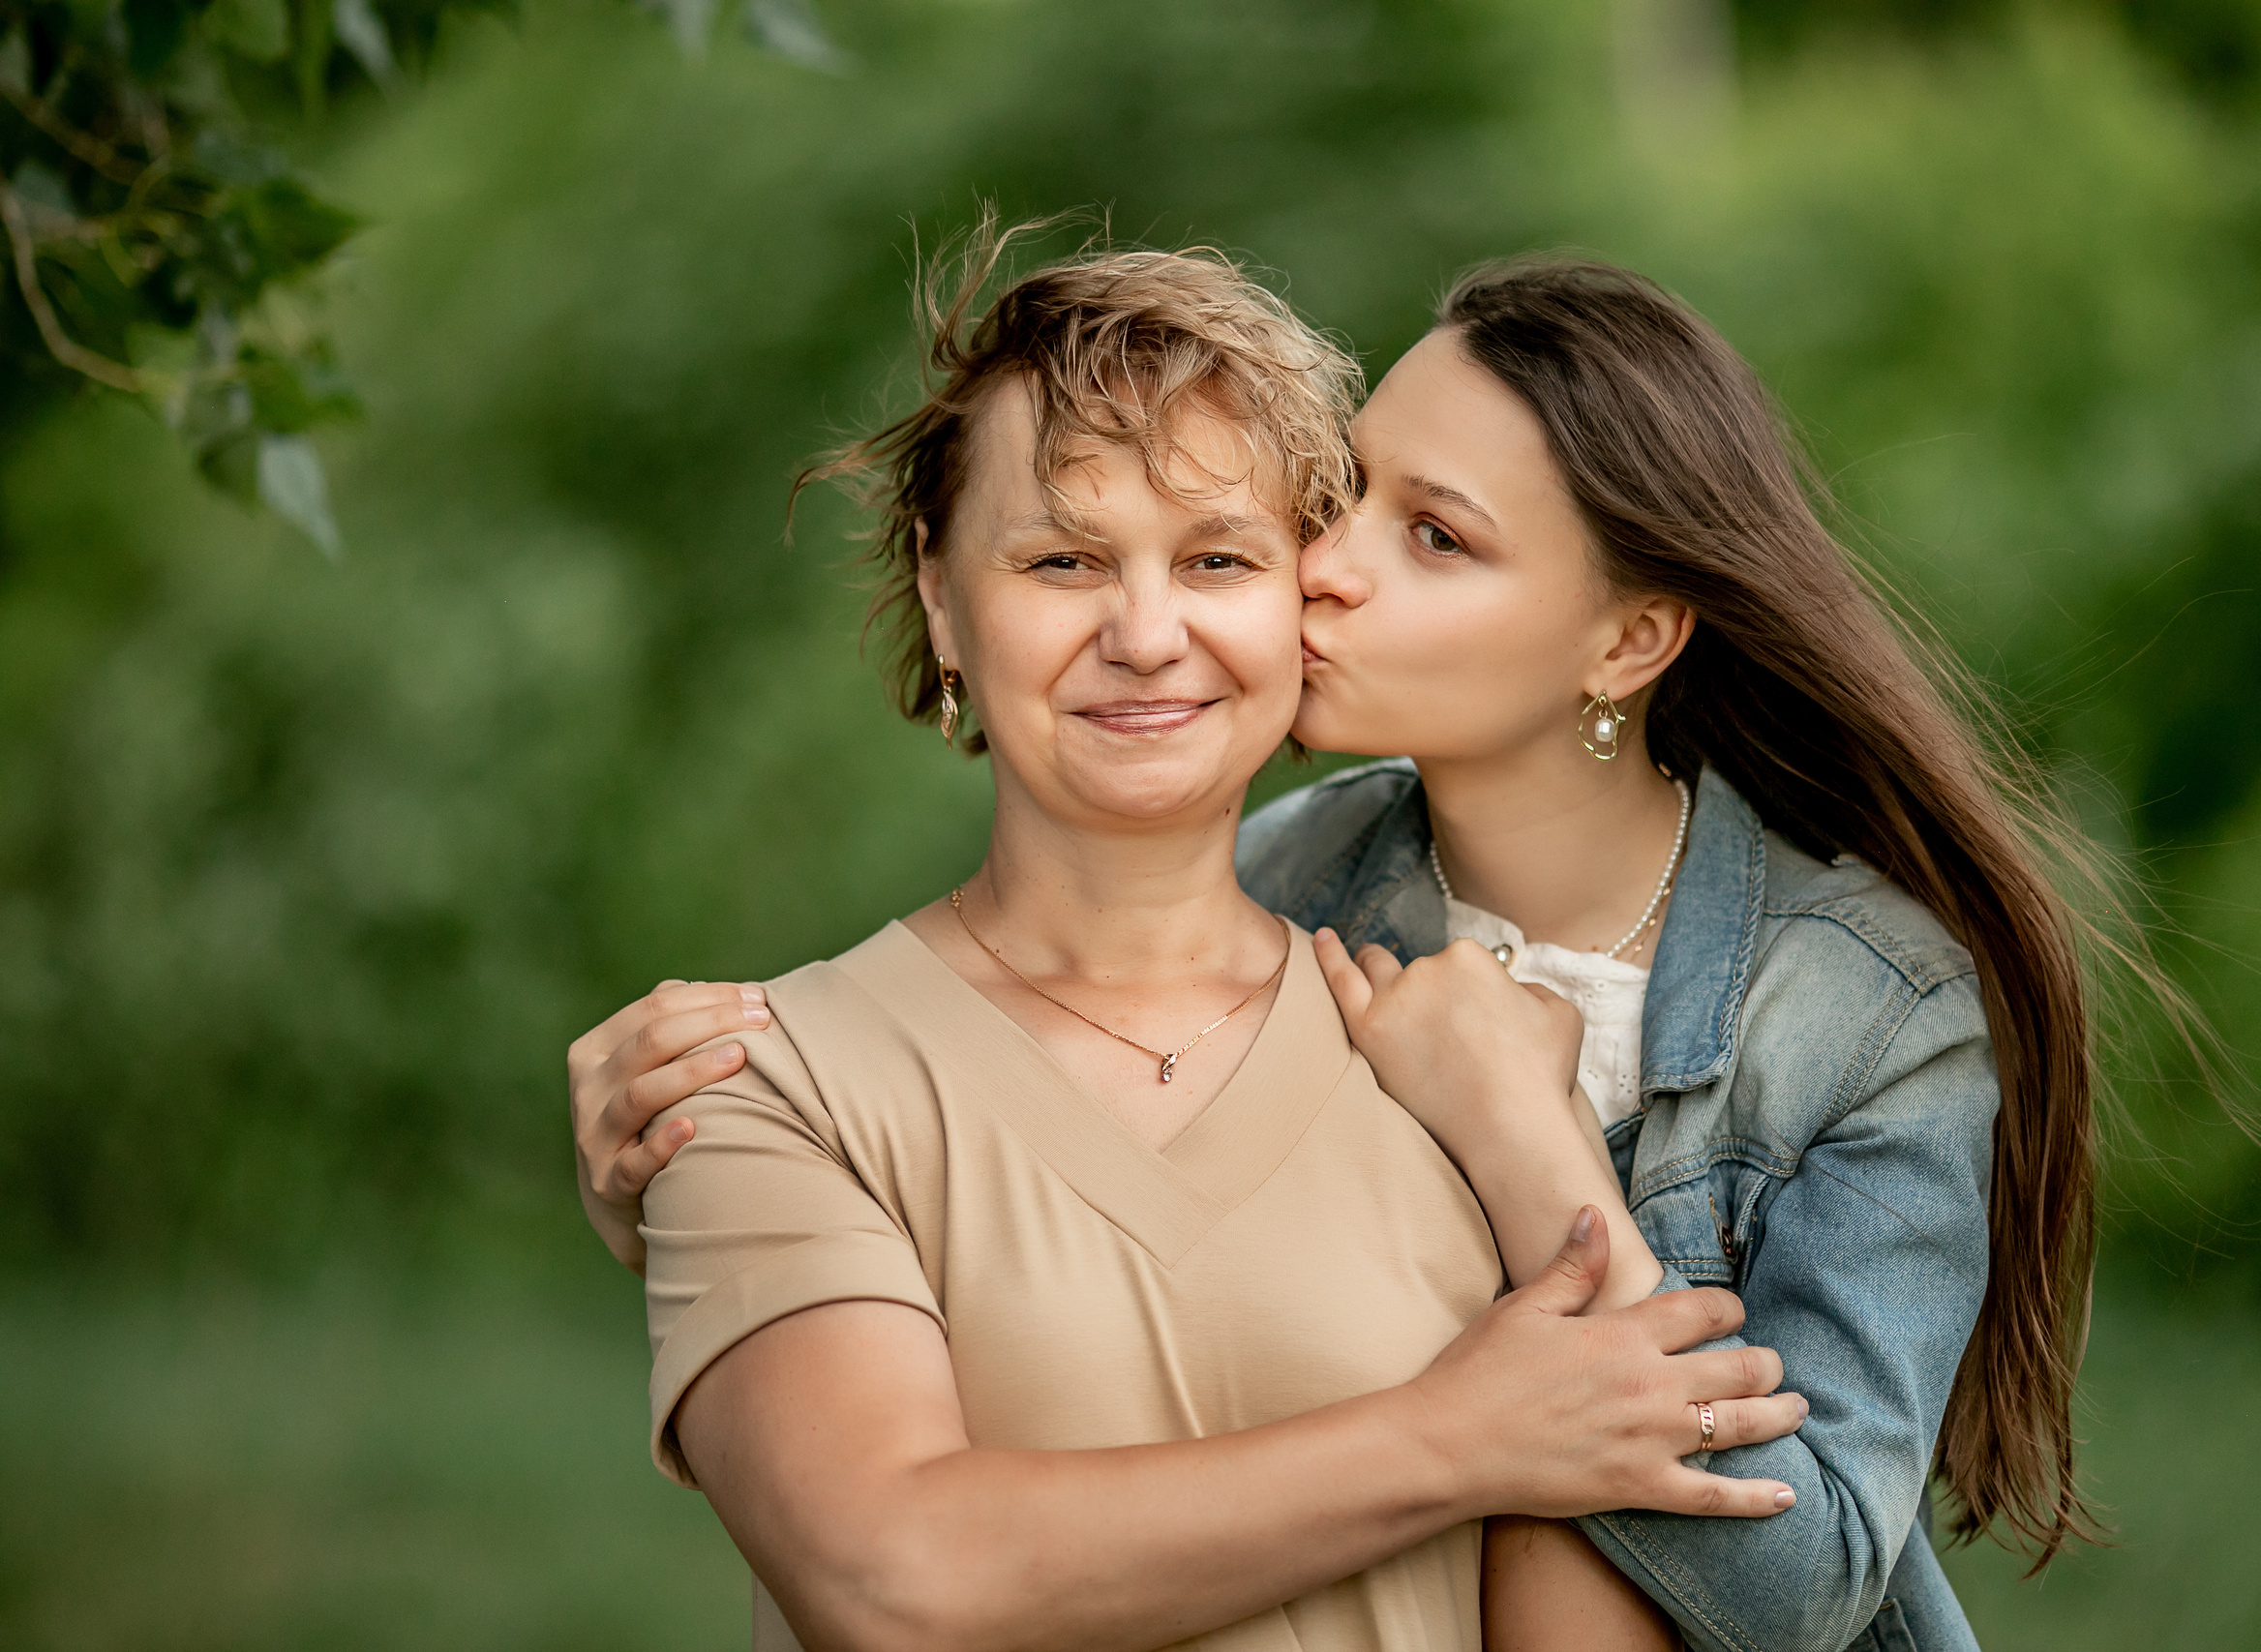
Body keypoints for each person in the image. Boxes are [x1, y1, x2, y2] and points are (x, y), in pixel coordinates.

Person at [578, 254, 2138, 1652]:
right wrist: (717, 1169)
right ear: (940, 592)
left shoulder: (1861, 1011)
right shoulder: (1302, 889)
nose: (1320, 566)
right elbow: (1022, 1104)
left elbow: (1794, 1589)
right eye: (1343, 499)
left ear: (1625, 642)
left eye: (1432, 536)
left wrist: (1532, 1149)